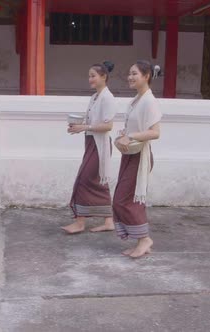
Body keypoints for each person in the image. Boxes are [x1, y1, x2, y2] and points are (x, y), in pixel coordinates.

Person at [113, 60, 162, 258]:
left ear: (146, 76)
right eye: (129, 73)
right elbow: (135, 128)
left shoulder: (149, 101)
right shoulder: (136, 100)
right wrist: (124, 133)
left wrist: (130, 136)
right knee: (124, 199)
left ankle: (144, 239)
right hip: (130, 155)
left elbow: (155, 133)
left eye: (135, 73)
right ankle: (141, 240)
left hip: (140, 156)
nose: (130, 77)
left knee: (124, 199)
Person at [62, 61, 118, 234]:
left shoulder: (108, 98)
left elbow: (108, 126)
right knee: (99, 181)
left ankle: (80, 222)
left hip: (100, 145)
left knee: (83, 180)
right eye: (89, 76)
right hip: (91, 143)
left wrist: (85, 127)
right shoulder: (95, 97)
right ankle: (109, 220)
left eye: (93, 76)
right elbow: (92, 123)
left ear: (104, 77)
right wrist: (78, 127)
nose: (90, 79)